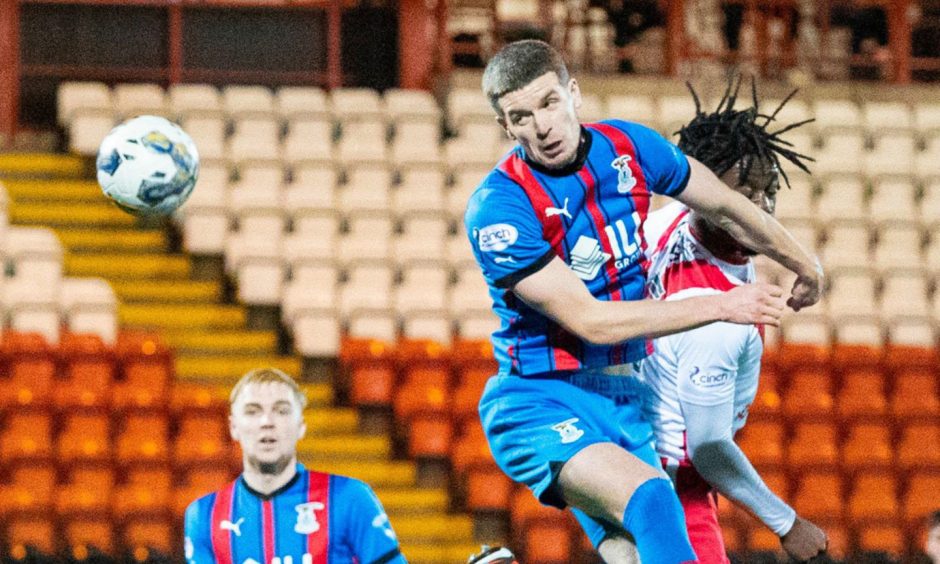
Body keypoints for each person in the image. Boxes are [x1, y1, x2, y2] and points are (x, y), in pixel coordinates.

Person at [464, 39, 823, 564]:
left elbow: (725, 204)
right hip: (538, 398)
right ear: (506, 127)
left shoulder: (629, 148)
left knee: (628, 553)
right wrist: (721, 303)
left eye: (548, 103)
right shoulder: (499, 210)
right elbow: (593, 323)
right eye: (521, 116)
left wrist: (805, 264)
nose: (541, 126)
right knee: (654, 501)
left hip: (625, 400)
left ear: (573, 94)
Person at [640, 80, 828, 563]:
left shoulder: (670, 219)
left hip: (640, 455)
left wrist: (807, 265)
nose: (760, 207)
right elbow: (708, 449)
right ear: (709, 194)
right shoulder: (719, 318)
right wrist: (787, 524)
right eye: (744, 194)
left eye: (769, 191)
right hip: (676, 488)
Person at [183, 368, 405, 564]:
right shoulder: (203, 515)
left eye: (281, 410)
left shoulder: (349, 497)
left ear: (300, 426)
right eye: (253, 411)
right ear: (233, 427)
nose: (267, 422)